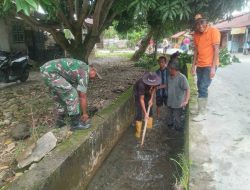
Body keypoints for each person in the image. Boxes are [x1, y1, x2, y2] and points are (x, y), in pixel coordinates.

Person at [40, 58, 97, 131]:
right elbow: (82, 96)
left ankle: (60, 120)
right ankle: (75, 124)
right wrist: (85, 114)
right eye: (95, 75)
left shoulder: (81, 67)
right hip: (51, 72)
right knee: (72, 93)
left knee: (58, 94)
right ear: (93, 70)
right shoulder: (84, 71)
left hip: (46, 69)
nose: (95, 78)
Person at [191, 14, 221, 122]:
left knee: (203, 86)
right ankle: (200, 109)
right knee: (199, 85)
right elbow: (196, 51)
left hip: (210, 65)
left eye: (201, 22)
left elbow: (216, 50)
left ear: (206, 22)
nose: (200, 26)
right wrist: (193, 66)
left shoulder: (214, 31)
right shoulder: (196, 35)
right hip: (200, 65)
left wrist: (213, 68)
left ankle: (202, 113)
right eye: (197, 24)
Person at [133, 72, 161, 138]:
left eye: (153, 84)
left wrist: (151, 99)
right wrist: (145, 113)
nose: (152, 85)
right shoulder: (141, 85)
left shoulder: (155, 81)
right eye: (151, 84)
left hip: (148, 92)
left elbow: (154, 89)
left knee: (150, 110)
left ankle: (149, 129)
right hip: (138, 94)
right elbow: (141, 99)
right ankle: (138, 134)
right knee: (139, 113)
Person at [167, 53, 190, 131]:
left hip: (178, 103)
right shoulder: (169, 76)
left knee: (177, 119)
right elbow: (168, 86)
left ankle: (178, 130)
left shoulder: (182, 78)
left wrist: (186, 101)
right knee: (169, 117)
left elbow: (187, 89)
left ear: (174, 69)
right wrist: (158, 87)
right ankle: (170, 128)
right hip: (170, 101)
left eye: (169, 69)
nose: (168, 70)